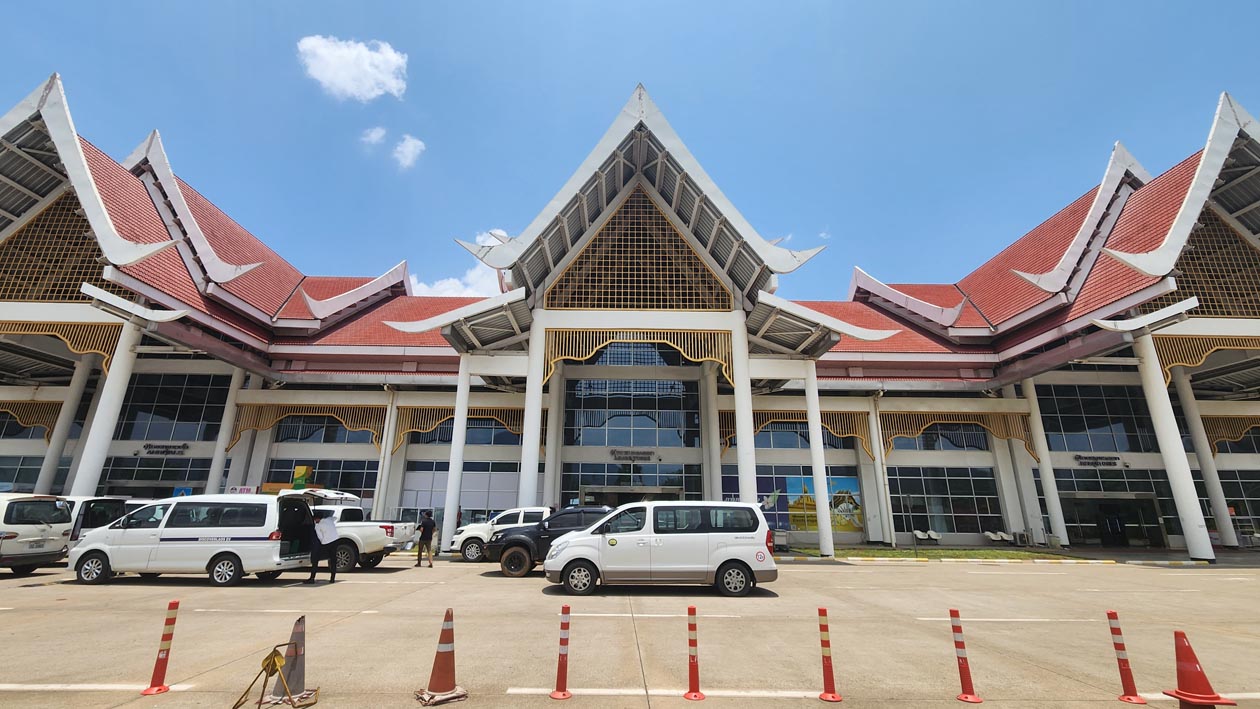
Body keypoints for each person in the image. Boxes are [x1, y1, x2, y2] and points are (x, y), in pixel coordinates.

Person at [305, 509, 339, 584]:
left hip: (326, 543)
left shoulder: (318, 526)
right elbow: (334, 518)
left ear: (317, 519)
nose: (314, 520)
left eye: (315, 519)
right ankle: (332, 578)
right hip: (335, 540)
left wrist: (320, 544)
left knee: (315, 559)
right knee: (333, 560)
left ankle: (312, 578)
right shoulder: (329, 520)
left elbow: (320, 537)